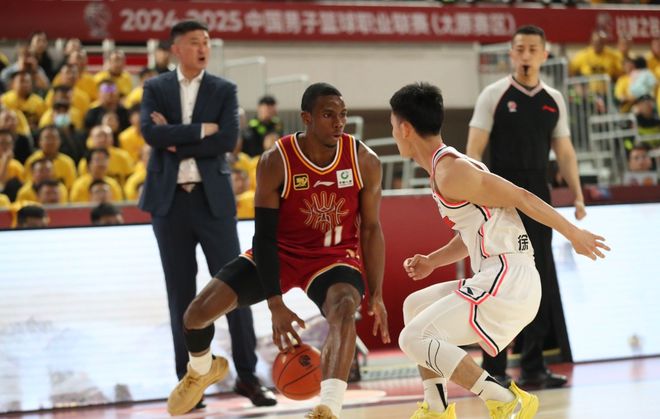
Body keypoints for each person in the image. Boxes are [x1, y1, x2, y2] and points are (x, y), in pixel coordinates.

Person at [164, 82, 390, 418]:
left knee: (343, 308)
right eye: (328, 115)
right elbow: (265, 237)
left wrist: (377, 292)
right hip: (280, 252)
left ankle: (328, 407)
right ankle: (201, 370)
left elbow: (371, 228)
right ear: (306, 118)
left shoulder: (363, 160)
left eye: (342, 115)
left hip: (333, 257)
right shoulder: (276, 161)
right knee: (195, 317)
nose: (339, 122)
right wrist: (275, 303)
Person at [389, 81, 609, 419]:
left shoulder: (452, 171)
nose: (393, 134)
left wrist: (573, 233)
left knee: (412, 338)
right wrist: (432, 261)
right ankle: (436, 407)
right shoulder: (444, 169)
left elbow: (521, 196)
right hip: (499, 274)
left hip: (508, 279)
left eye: (392, 126)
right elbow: (473, 233)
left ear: (405, 129)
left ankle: (503, 398)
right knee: (415, 306)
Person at [138, 20, 268, 409]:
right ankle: (190, 382)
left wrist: (176, 137)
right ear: (176, 49)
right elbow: (151, 134)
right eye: (195, 42)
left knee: (235, 289)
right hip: (169, 203)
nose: (203, 48)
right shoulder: (155, 88)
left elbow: (226, 140)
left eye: (207, 42)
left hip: (213, 203)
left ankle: (247, 376)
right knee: (180, 294)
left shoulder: (224, 89)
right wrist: (200, 131)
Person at [466, 25, 586, 389]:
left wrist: (577, 195)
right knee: (497, 278)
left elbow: (564, 151)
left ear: (545, 55)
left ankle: (533, 366)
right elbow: (473, 150)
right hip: (499, 195)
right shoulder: (493, 94)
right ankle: (495, 369)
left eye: (533, 49)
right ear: (511, 54)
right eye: (520, 49)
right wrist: (476, 194)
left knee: (540, 278)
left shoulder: (554, 99)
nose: (526, 55)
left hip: (538, 194)